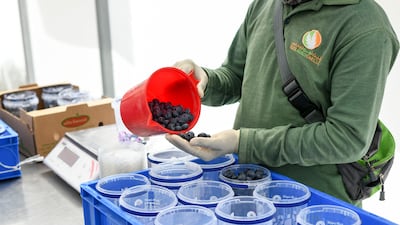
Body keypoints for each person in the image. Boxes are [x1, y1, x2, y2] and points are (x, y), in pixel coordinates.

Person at [165, 0, 399, 206]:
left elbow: (346, 138)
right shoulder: (266, 5)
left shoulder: (367, 29)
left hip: (315, 203)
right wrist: (204, 80)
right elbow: (237, 76)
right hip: (247, 189)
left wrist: (243, 142)